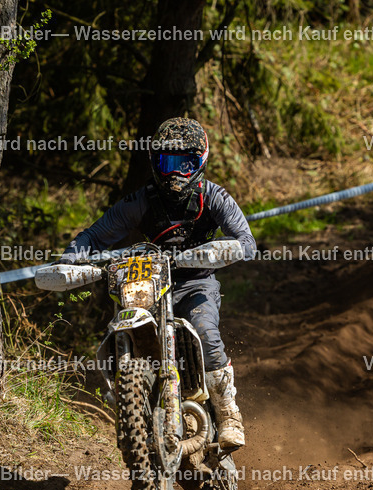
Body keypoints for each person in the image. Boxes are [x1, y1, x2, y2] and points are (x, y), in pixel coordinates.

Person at [58, 117, 256, 448]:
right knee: (120, 326)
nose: (177, 173)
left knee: (206, 333)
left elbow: (246, 242)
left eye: (186, 163)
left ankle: (228, 413)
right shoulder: (142, 200)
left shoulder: (215, 197)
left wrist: (216, 251)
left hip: (195, 283)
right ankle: (132, 402)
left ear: (201, 161)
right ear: (155, 163)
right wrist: (70, 260)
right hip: (148, 281)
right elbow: (95, 235)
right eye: (168, 163)